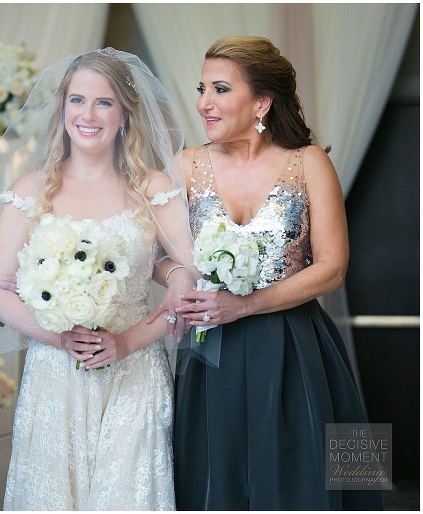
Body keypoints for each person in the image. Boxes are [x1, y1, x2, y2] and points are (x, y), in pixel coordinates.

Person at [0, 49, 196, 510]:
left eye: (104, 102)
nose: (87, 115)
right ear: (62, 109)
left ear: (126, 114)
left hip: (134, 374)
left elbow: (194, 281)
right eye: (77, 100)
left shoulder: (154, 189)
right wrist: (59, 335)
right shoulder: (31, 190)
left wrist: (130, 339)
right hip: (55, 377)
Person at [162, 36, 384, 510]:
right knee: (212, 480)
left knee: (314, 481)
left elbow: (333, 268)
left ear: (262, 101)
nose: (204, 103)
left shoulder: (310, 163)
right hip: (209, 353)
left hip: (298, 349)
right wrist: (177, 276)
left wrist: (244, 305)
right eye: (201, 89)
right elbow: (156, 255)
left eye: (220, 89)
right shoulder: (186, 165)